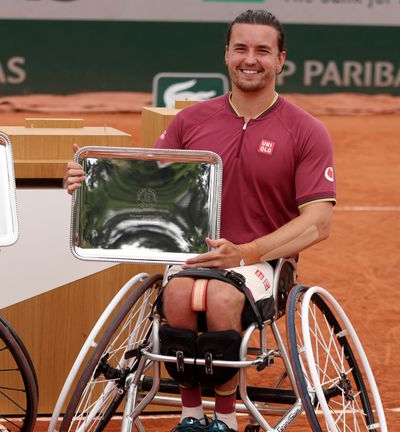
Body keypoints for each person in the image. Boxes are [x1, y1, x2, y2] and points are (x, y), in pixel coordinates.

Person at [64, 9, 335, 432]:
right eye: (241, 48)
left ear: (281, 60)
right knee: (178, 298)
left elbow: (318, 222)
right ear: (226, 55)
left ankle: (223, 421)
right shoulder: (190, 121)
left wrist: (245, 252)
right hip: (193, 257)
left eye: (263, 50)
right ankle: (192, 418)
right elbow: (146, 188)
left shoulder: (307, 130)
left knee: (220, 300)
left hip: (262, 264)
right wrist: (91, 181)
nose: (251, 59)